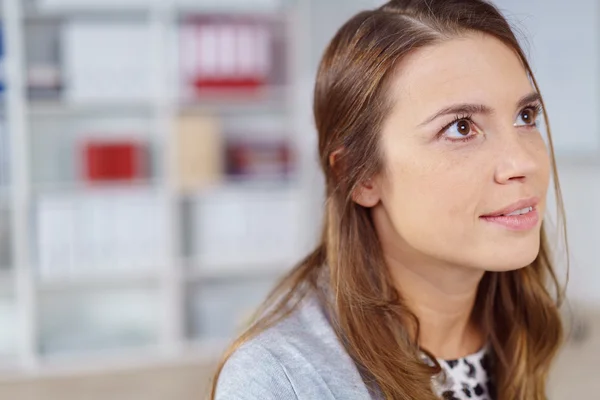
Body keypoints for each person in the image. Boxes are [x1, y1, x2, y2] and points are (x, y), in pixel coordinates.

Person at [210, 0, 567, 399]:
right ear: (358, 176)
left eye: (526, 116)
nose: (522, 162)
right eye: (461, 128)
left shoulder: (516, 327)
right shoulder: (278, 380)